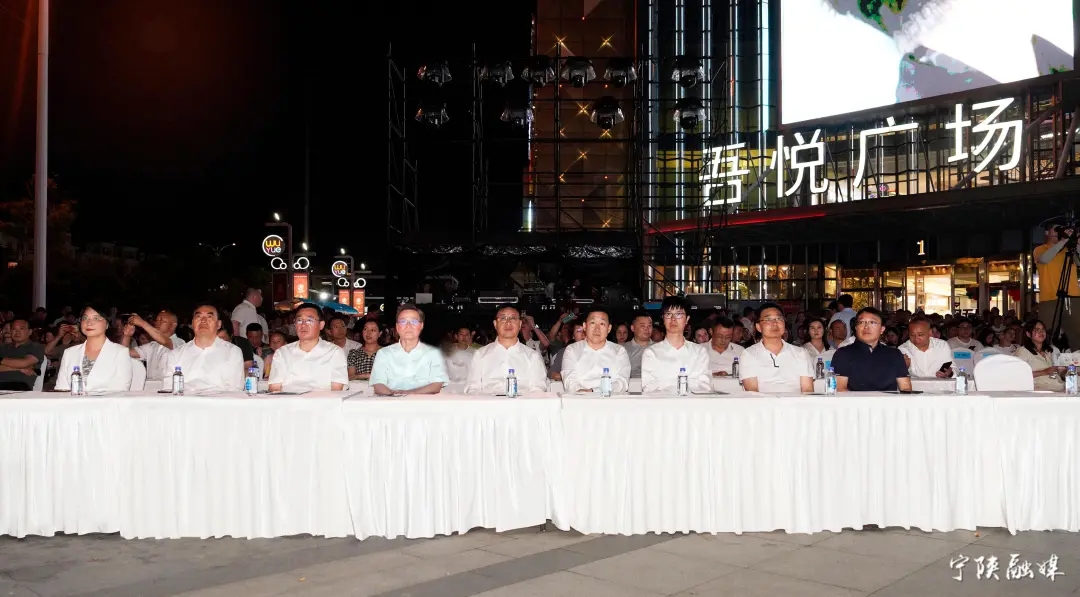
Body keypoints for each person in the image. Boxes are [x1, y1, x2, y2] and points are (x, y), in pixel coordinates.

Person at [464, 304, 547, 395]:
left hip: (522, 402)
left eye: (513, 318)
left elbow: (538, 390)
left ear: (520, 324)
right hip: (488, 402)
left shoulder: (532, 356)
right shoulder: (480, 355)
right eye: (503, 318)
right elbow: (472, 388)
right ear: (495, 324)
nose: (508, 323)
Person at [268, 303, 349, 392]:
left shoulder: (335, 352)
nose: (303, 325)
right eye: (299, 320)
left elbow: (336, 390)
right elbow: (274, 388)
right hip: (288, 400)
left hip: (323, 400)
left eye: (309, 320)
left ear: (321, 325)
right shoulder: (282, 353)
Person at [369, 303, 447, 395]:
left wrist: (408, 393)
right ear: (397, 327)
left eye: (414, 321)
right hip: (391, 401)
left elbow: (436, 385)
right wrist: (395, 396)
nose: (408, 326)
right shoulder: (384, 354)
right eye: (403, 321)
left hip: (423, 402)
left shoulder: (433, 354)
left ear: (421, 326)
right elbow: (378, 384)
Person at [166, 304, 245, 392]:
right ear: (192, 324)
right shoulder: (176, 354)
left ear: (218, 324)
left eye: (209, 317)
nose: (203, 320)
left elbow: (235, 388)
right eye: (198, 316)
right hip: (184, 400)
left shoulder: (232, 352)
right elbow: (168, 387)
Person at [640, 295, 711, 393]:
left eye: (679, 314)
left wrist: (665, 383)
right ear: (663, 318)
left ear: (687, 319)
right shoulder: (651, 353)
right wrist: (687, 382)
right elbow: (648, 388)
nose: (673, 319)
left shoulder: (700, 352)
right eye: (668, 314)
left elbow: (704, 386)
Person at [831, 307, 912, 392]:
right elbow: (840, 388)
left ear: (882, 329)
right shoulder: (842, 354)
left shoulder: (895, 354)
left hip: (887, 400)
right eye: (862, 322)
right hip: (854, 400)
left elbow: (905, 388)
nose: (866, 326)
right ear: (856, 328)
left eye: (872, 322)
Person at [54, 306, 132, 393]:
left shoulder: (120, 352)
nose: (89, 323)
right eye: (85, 318)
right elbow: (61, 389)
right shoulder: (69, 353)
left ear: (107, 324)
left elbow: (121, 392)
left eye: (96, 318)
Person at [740, 303, 814, 393]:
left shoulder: (801, 353)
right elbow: (752, 392)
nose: (775, 323)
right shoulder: (749, 354)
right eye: (768, 319)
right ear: (758, 327)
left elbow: (807, 390)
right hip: (762, 402)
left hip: (795, 402)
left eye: (779, 319)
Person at [561, 307, 631, 393]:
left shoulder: (619, 351)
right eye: (593, 323)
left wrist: (594, 391)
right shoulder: (572, 350)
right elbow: (569, 381)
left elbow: (622, 382)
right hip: (580, 398)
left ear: (609, 328)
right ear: (585, 326)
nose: (597, 329)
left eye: (602, 324)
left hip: (610, 399)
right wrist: (585, 393)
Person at [120, 310, 184, 381]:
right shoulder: (152, 345)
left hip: (169, 386)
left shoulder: (179, 343)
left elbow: (165, 341)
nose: (157, 322)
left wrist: (142, 323)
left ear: (173, 325)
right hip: (150, 386)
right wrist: (127, 336)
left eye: (161, 320)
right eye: (157, 320)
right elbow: (126, 352)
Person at [1015, 319, 1065, 391]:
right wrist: (1044, 372)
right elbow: (1017, 374)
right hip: (1041, 389)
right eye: (1037, 330)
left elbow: (1057, 371)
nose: (1041, 332)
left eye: (1043, 329)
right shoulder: (1023, 351)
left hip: (1059, 386)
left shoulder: (1048, 351)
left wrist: (1067, 372)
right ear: (1028, 334)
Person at [0, 318, 45, 390]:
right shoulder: (2, 347)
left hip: (19, 386)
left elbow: (24, 363)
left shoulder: (35, 347)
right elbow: (22, 366)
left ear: (30, 332)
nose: (17, 332)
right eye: (14, 329)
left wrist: (1, 360)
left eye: (21, 329)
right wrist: (20, 368)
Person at [622, 312, 654, 378]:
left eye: (649, 326)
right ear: (633, 328)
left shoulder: (659, 348)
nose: (647, 329)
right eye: (642, 326)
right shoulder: (623, 350)